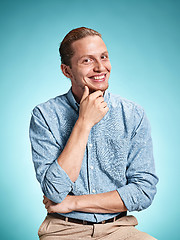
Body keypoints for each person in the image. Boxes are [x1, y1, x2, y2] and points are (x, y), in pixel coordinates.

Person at [29, 27, 158, 240]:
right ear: (67, 71)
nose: (100, 68)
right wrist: (84, 122)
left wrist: (74, 202)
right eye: (87, 61)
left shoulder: (133, 114)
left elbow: (144, 191)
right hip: (63, 230)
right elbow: (54, 191)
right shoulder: (44, 115)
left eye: (103, 57)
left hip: (120, 229)